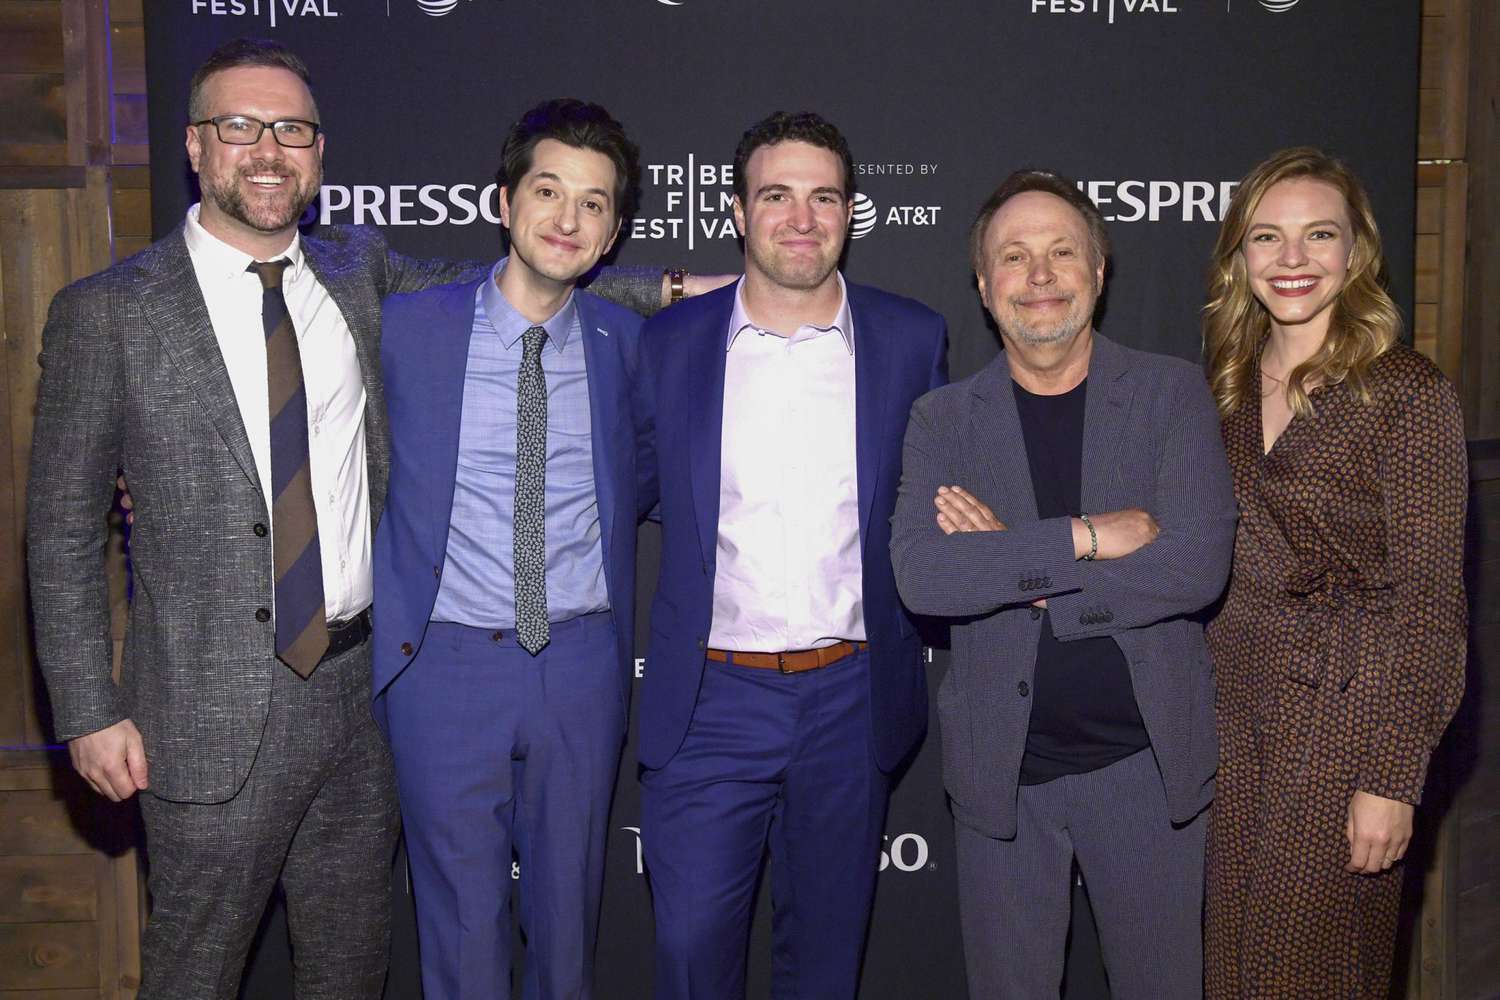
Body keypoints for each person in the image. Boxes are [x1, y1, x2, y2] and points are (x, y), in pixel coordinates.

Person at [24, 37, 670, 1000]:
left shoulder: (358, 274)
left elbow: (527, 286)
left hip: (363, 689)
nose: (268, 149)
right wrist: (86, 710)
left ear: (320, 155)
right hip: (204, 710)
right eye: (240, 126)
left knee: (349, 965)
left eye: (291, 129)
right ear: (196, 146)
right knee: (194, 966)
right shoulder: (108, 313)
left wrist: (688, 293)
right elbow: (61, 532)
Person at [888, 169, 1237, 999]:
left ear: (1099, 270)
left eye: (1061, 252)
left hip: (1147, 774)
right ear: (983, 285)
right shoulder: (943, 420)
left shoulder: (1168, 395)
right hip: (1001, 781)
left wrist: (1018, 566)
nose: (1039, 276)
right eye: (1014, 256)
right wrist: (1086, 537)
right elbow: (925, 575)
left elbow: (1194, 564)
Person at [634, 111, 947, 1000]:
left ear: (851, 212)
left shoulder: (910, 339)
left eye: (824, 197)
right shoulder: (666, 344)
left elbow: (934, 501)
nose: (801, 218)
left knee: (825, 968)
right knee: (691, 954)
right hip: (709, 701)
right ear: (737, 212)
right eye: (777, 196)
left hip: (850, 697)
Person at [371, 99, 646, 1000]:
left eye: (595, 204)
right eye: (549, 190)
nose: (568, 220)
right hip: (443, 663)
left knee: (570, 926)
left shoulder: (624, 343)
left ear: (612, 235)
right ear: (503, 200)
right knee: (459, 929)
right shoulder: (409, 327)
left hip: (580, 661)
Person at [1201, 147, 1468, 998]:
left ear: (1355, 253)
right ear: (1240, 256)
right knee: (1231, 968)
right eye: (1267, 238)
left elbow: (1432, 607)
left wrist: (1392, 777)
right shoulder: (1229, 385)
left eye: (1319, 236)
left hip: (1347, 720)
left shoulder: (1407, 393)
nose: (1292, 260)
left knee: (1306, 973)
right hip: (1233, 717)